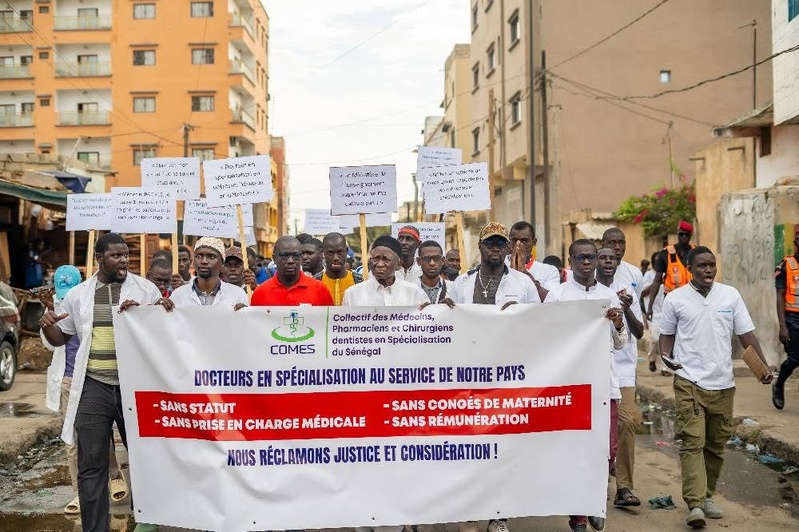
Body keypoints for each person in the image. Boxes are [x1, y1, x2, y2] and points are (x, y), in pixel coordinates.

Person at [39, 232, 162, 532]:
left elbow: (164, 332)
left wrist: (156, 311)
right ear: (99, 259)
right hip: (94, 385)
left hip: (135, 387)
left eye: (126, 255)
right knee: (92, 463)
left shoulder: (146, 289)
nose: (123, 260)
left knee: (146, 457)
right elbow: (60, 338)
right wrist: (49, 322)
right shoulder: (79, 294)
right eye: (116, 255)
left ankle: (149, 523)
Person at [658, 246, 772, 528]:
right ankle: (695, 504)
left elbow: (746, 334)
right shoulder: (675, 299)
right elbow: (666, 337)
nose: (708, 270)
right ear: (690, 268)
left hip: (723, 383)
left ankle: (708, 496)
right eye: (701, 266)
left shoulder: (730, 295)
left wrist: (763, 367)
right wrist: (666, 358)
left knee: (716, 445)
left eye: (711, 265)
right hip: (689, 381)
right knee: (692, 443)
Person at [544, 239, 628, 532]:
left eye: (590, 257)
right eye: (580, 258)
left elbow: (620, 343)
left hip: (605, 384)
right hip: (570, 386)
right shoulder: (557, 296)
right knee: (575, 452)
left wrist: (617, 324)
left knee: (607, 451)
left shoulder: (609, 296)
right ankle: (579, 516)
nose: (587, 263)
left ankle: (595, 501)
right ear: (570, 261)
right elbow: (545, 338)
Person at [41, 266, 128, 516]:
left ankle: (114, 475)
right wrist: (49, 315)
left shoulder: (88, 299)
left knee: (100, 437)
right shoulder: (57, 306)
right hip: (70, 380)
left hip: (95, 378)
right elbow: (49, 343)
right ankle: (79, 493)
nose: (64, 296)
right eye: (61, 292)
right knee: (73, 441)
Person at [595, 248, 644, 517]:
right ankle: (596, 479)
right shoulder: (581, 291)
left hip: (621, 370)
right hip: (589, 370)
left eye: (612, 258)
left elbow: (639, 331)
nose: (607, 261)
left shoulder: (628, 291)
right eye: (602, 256)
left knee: (626, 422)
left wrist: (626, 311)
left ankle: (624, 488)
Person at [449, 222, 540, 308]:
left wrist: (518, 312)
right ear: (480, 246)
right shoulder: (461, 282)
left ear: (507, 247)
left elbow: (535, 317)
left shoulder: (524, 282)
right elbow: (452, 319)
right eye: (489, 243)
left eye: (501, 243)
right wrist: (444, 308)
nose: (495, 248)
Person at [164, 238, 248, 309]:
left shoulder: (237, 294)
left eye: (211, 256)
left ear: (222, 264)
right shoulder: (178, 295)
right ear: (193, 262)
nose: (204, 261)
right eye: (199, 256)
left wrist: (243, 314)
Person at [342, 235, 426, 307]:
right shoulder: (352, 294)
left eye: (386, 259)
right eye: (376, 258)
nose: (380, 264)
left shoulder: (414, 293)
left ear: (398, 264)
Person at [251, 236, 334, 306]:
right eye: (284, 255)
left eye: (295, 255)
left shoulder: (320, 290)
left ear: (301, 257)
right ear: (274, 258)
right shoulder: (260, 293)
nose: (290, 261)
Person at [772, 226, 799, 410]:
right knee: (795, 358)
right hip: (792, 318)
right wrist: (783, 326)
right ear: (796, 242)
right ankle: (779, 384)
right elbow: (780, 295)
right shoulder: (787, 265)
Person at [647, 221, 695, 320]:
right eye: (681, 234)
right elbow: (656, 281)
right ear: (677, 233)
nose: (684, 237)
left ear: (691, 236)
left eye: (687, 235)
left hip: (692, 300)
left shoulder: (695, 253)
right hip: (672, 300)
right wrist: (650, 306)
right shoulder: (666, 253)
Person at [506, 221, 561, 301]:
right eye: (514, 240)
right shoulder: (499, 266)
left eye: (524, 241)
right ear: (509, 242)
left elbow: (552, 300)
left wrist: (524, 272)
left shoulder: (549, 271)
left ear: (534, 242)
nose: (518, 245)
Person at [314, 232, 363, 305]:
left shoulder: (360, 282)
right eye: (330, 253)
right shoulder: (314, 283)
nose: (335, 258)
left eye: (340, 252)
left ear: (346, 251)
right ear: (323, 253)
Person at [641, 251, 667, 375]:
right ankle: (651, 359)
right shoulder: (649, 275)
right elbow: (643, 292)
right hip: (653, 312)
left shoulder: (668, 275)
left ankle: (664, 368)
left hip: (666, 312)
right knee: (655, 339)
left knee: (666, 339)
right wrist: (657, 281)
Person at [601, 228, 643, 301]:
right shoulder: (592, 272)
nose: (617, 247)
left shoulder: (635, 273)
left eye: (621, 242)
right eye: (612, 242)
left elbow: (635, 303)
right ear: (603, 245)